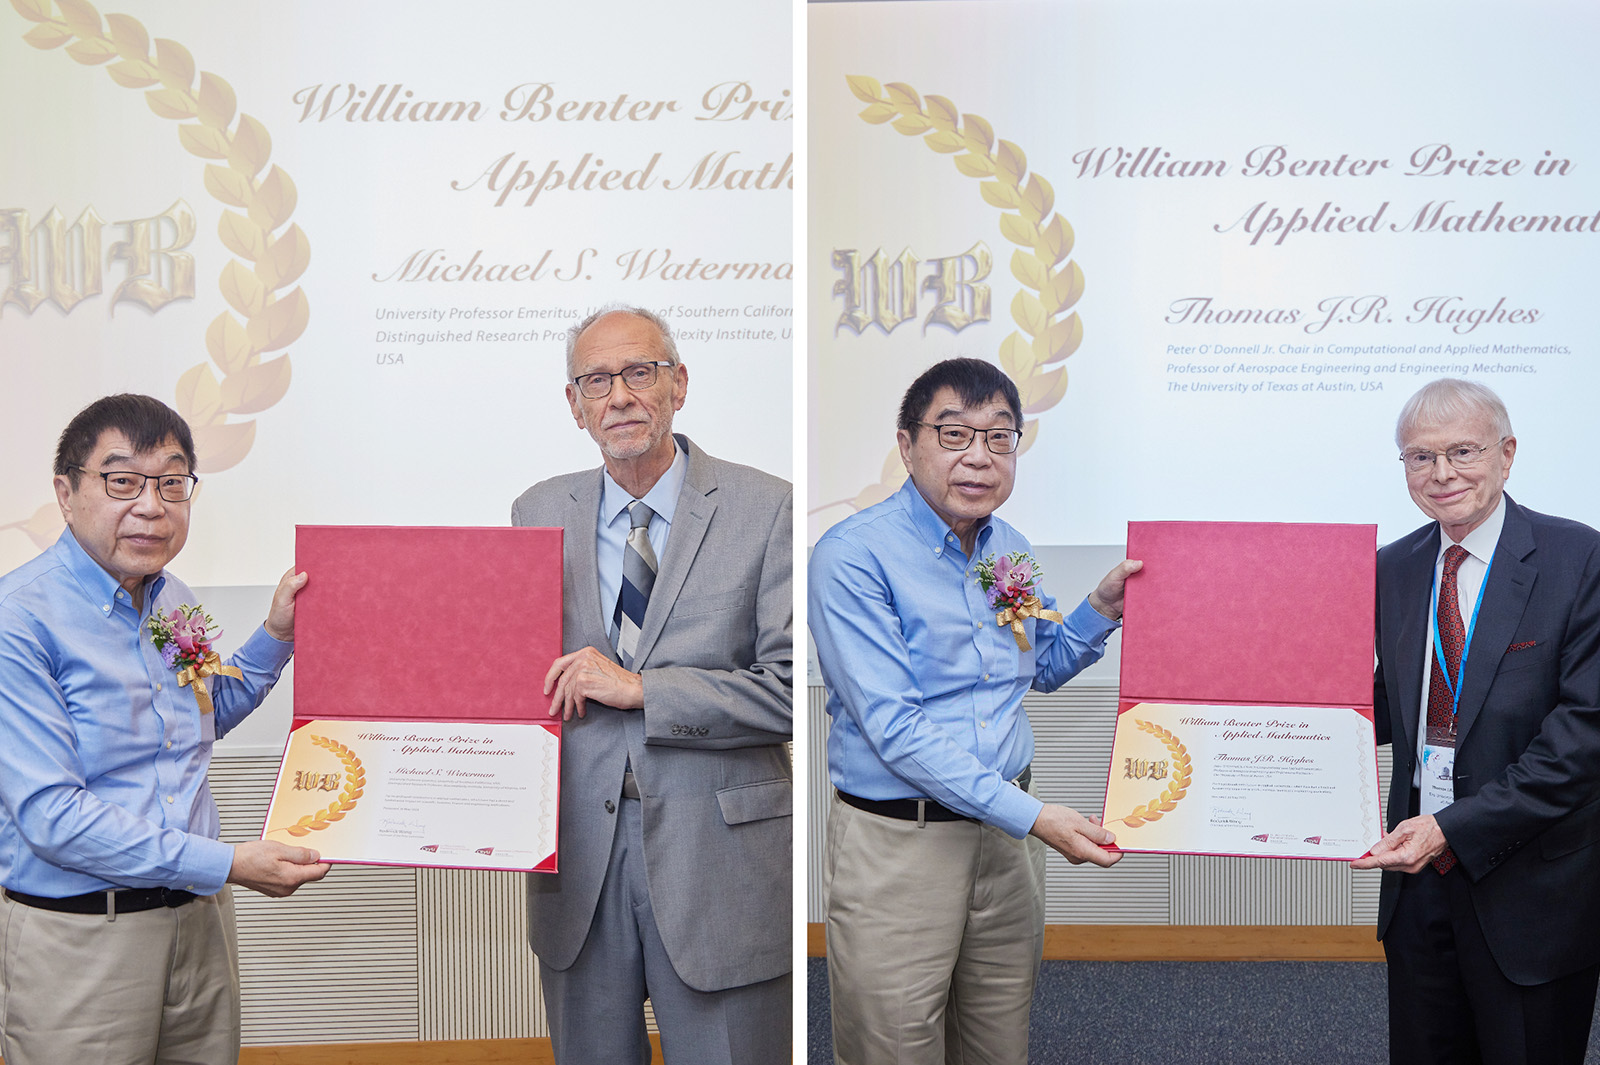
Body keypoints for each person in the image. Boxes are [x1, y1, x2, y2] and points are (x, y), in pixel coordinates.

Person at [809, 357, 1139, 1065]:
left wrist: (1101, 609)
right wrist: (1037, 817)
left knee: (997, 1041)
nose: (979, 458)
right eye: (954, 434)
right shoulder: (852, 556)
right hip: (903, 844)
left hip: (1006, 843)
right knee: (893, 1046)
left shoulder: (1007, 549)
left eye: (999, 438)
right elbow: (894, 728)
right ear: (906, 444)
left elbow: (1037, 667)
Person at [0, 393, 328, 1065]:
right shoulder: (18, 620)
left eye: (171, 482)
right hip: (84, 936)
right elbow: (50, 816)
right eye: (122, 481)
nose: (151, 505)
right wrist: (229, 863)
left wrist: (277, 635)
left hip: (197, 922)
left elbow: (200, 716)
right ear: (65, 492)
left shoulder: (169, 596)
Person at [511, 305, 792, 1065]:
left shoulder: (768, 507)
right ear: (575, 404)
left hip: (720, 852)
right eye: (597, 379)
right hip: (580, 855)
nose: (621, 396)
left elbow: (791, 691)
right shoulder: (536, 511)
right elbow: (513, 678)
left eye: (641, 372)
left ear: (679, 384)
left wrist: (645, 689)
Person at [1353, 378, 1600, 1065]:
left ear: (1507, 453)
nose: (1442, 474)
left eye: (1462, 450)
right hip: (1417, 884)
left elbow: (1582, 741)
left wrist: (1449, 828)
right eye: (1420, 456)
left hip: (1530, 889)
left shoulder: (1578, 559)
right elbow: (1381, 700)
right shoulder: (1393, 566)